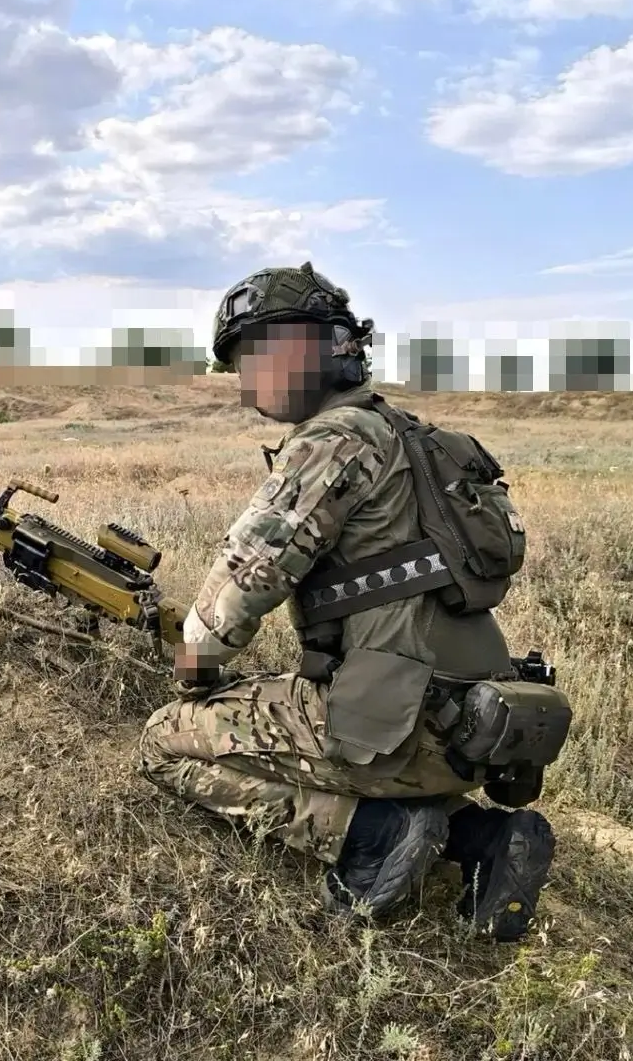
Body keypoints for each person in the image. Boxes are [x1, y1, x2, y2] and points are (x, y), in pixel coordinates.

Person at [137, 262, 569, 940]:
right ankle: (483, 838)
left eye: (256, 357)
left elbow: (245, 581)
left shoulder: (332, 440)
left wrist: (193, 664)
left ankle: (371, 833)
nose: (248, 382)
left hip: (391, 727)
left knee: (164, 741)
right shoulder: (416, 437)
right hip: (474, 725)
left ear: (321, 346)